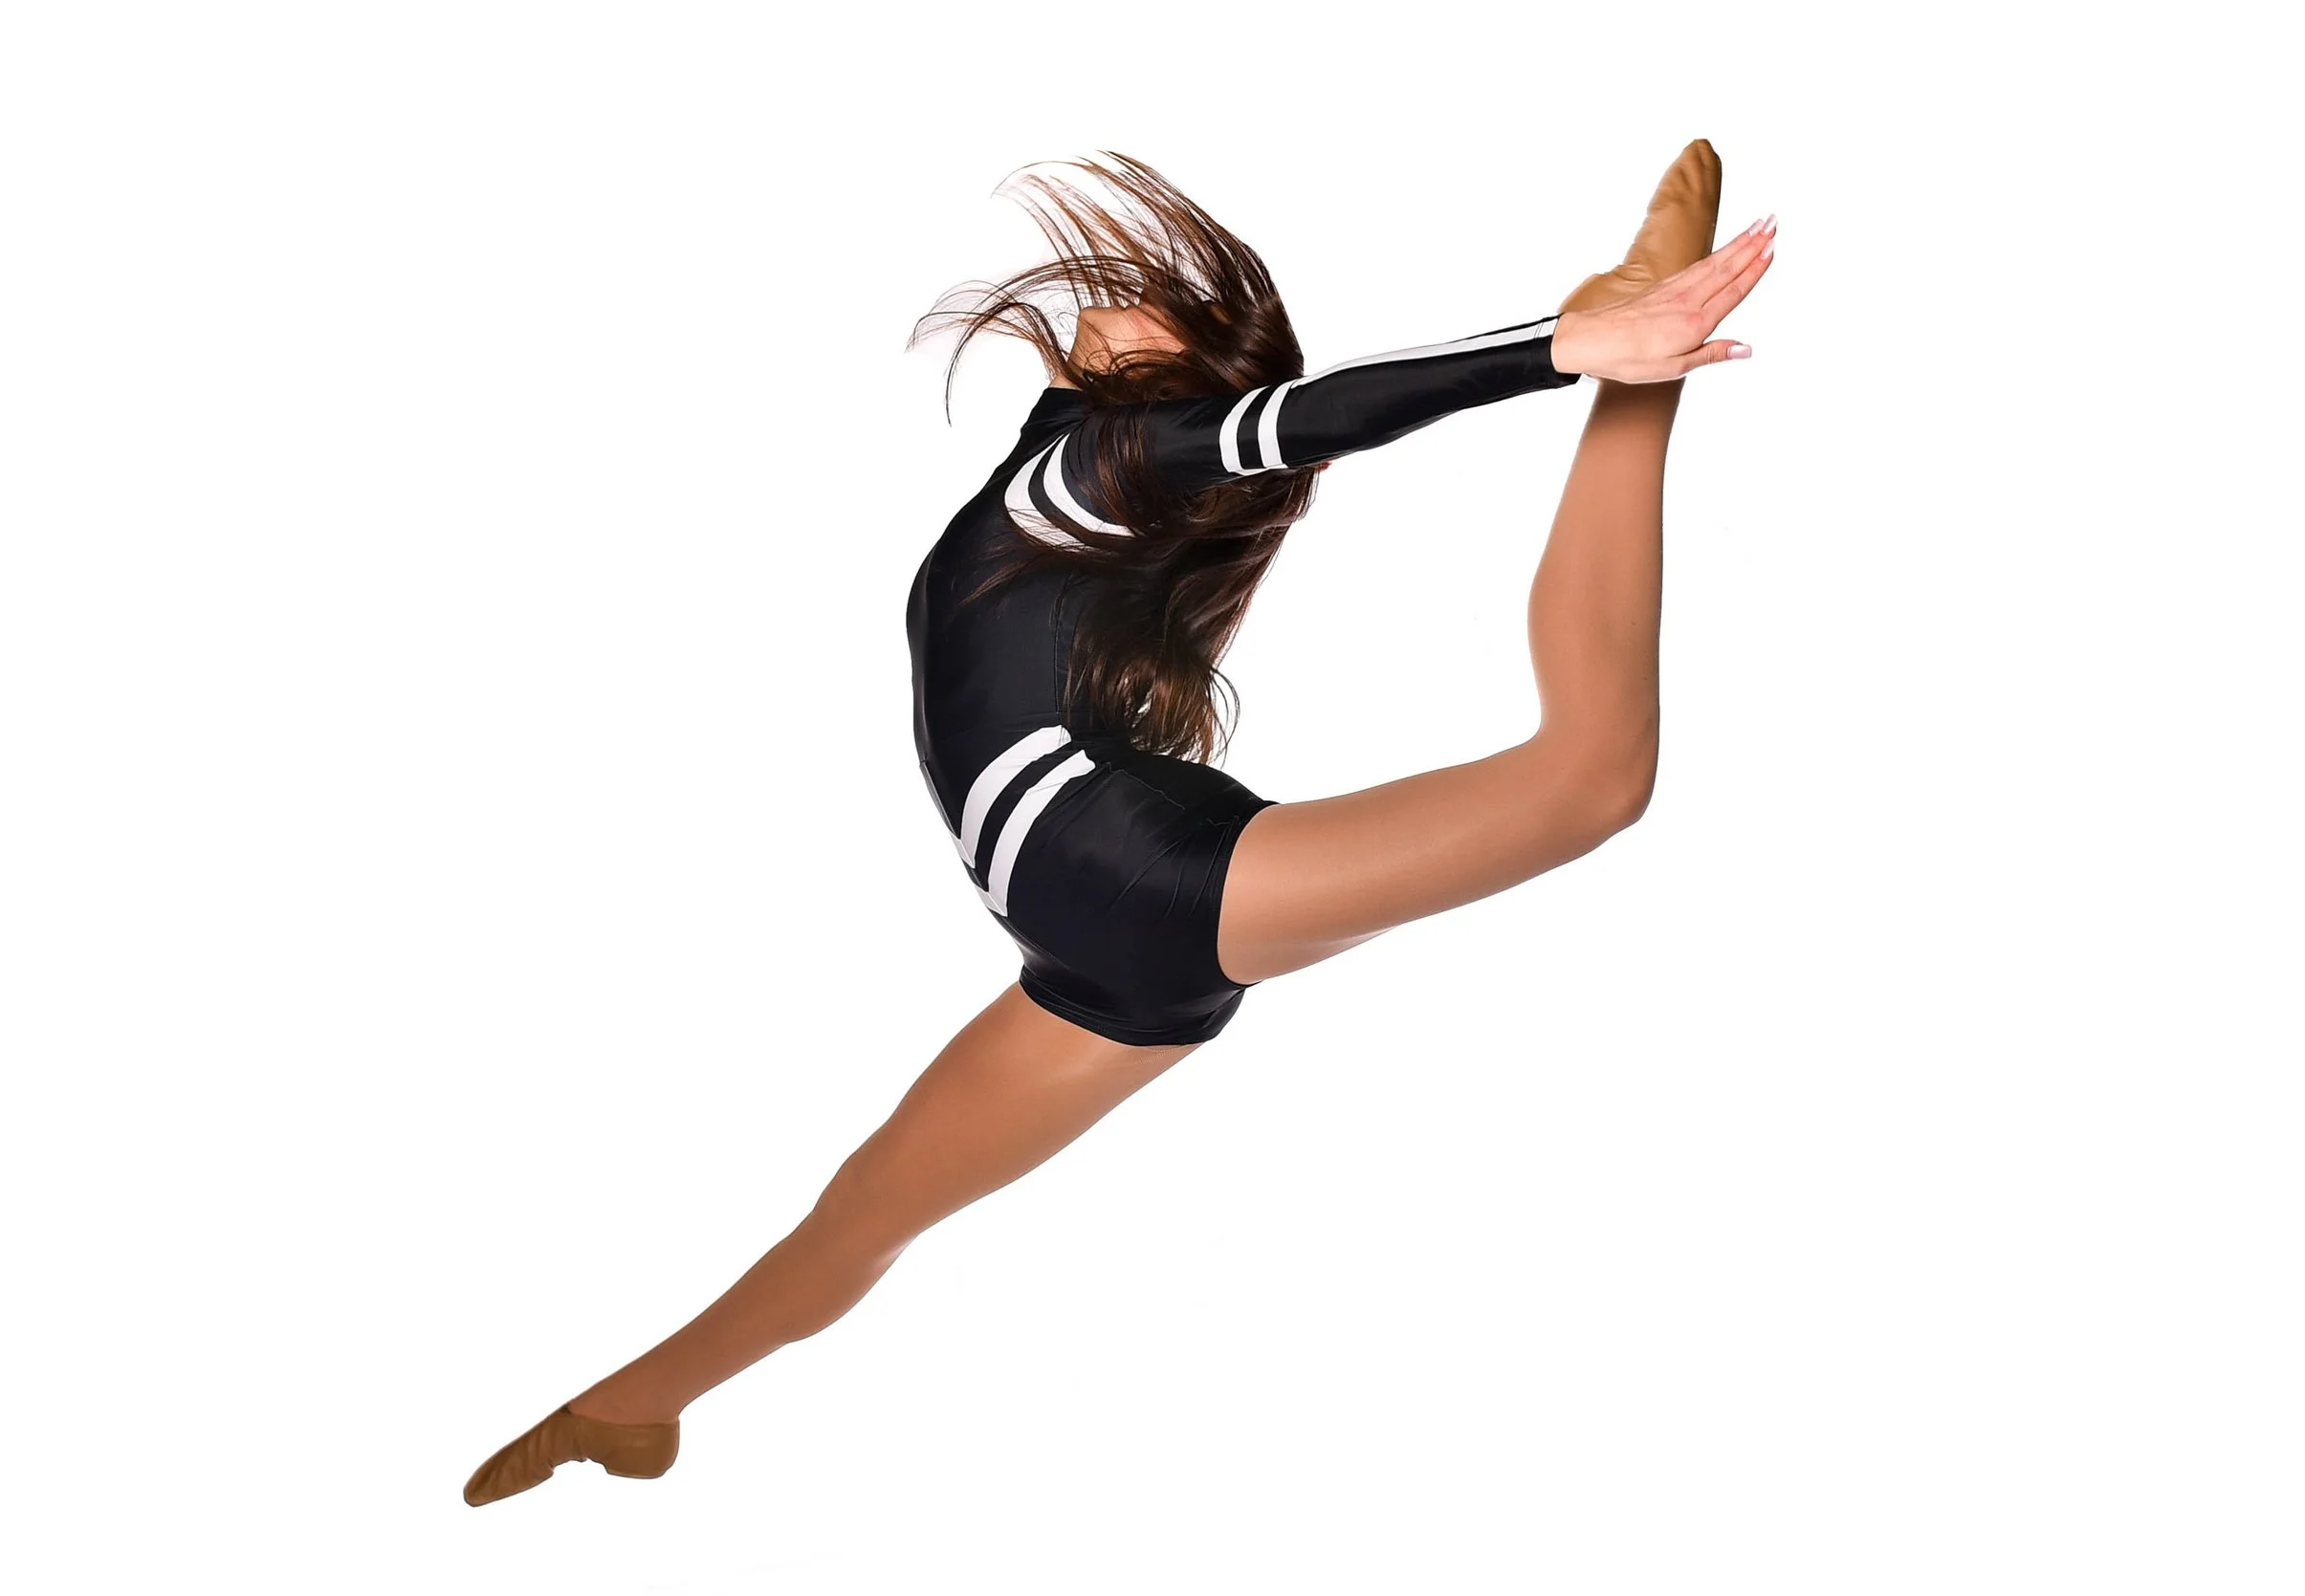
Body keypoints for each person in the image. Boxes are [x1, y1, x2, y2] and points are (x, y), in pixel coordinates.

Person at [464, 141, 1773, 1506]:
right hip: (1092, 956)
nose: (1128, 290)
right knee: (864, 1210)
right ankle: (629, 1410)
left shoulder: (1109, 462)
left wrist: (1569, 347)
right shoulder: (1060, 475)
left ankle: (1640, 385)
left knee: (1589, 778)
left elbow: (1299, 421)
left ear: (1183, 384)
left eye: (1174, 309)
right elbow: (1254, 436)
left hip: (1127, 873)